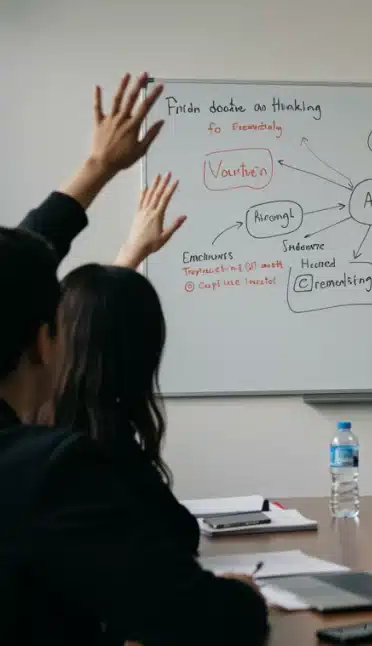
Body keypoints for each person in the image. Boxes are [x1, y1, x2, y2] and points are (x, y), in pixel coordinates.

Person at [0, 72, 268, 645]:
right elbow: (206, 623)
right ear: (45, 340)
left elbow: (14, 281)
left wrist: (98, 176)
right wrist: (244, 596)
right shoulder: (47, 472)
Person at [37, 172, 196, 555]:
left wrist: (130, 254)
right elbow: (179, 535)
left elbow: (90, 328)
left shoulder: (30, 421)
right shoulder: (102, 451)